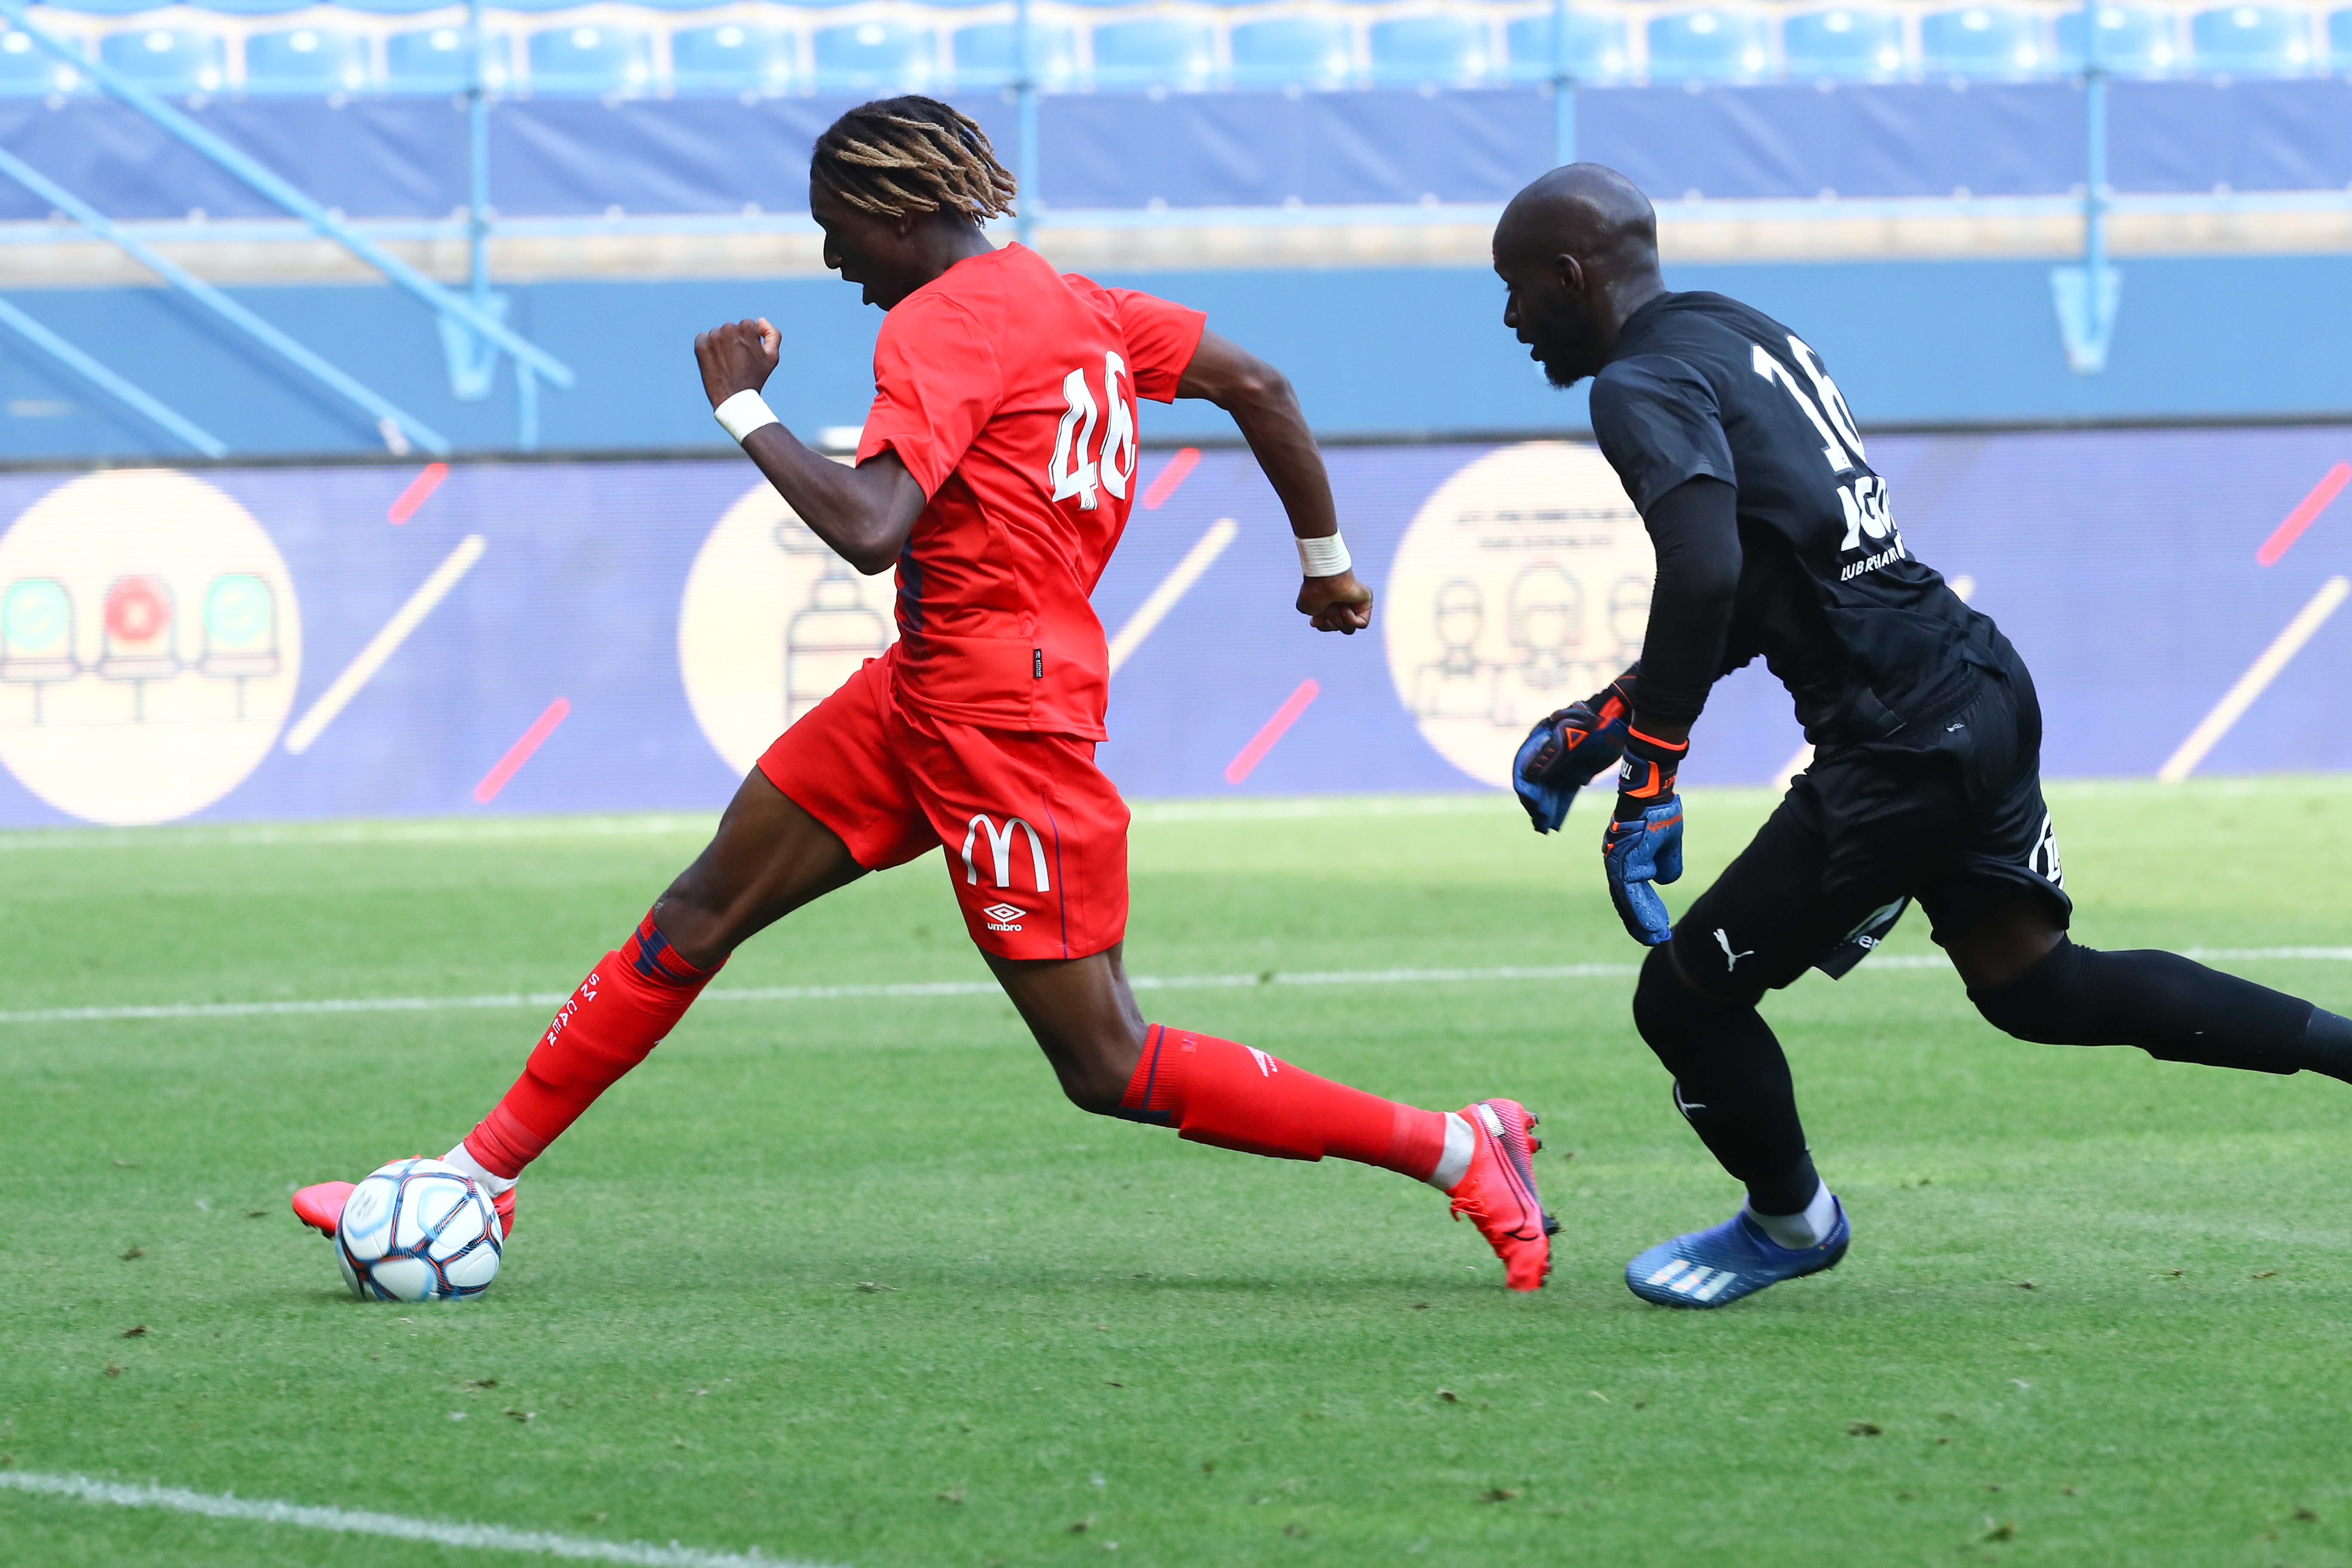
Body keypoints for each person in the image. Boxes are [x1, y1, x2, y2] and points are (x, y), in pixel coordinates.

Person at [294, 98, 1556, 1292]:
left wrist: (742, 405)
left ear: (893, 213)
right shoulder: (1085, 306)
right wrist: (1325, 563)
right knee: (700, 909)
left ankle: (1451, 1146)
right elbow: (1261, 385)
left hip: (1003, 719)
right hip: (926, 688)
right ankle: (475, 1176)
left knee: (1105, 1061)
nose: (837, 265)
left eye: (837, 234)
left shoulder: (947, 319)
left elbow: (870, 526)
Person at [1494, 163, 2352, 1309]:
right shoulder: (1743, 333)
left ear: (1571, 275)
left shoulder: (1638, 382)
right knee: (2035, 989)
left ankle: (1791, 1224)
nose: (1510, 320)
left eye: (1515, 291)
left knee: (1685, 1000)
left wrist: (1650, 769)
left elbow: (1703, 570)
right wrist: (1607, 724)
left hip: (1901, 743)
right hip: (1975, 678)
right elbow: (1770, 576)